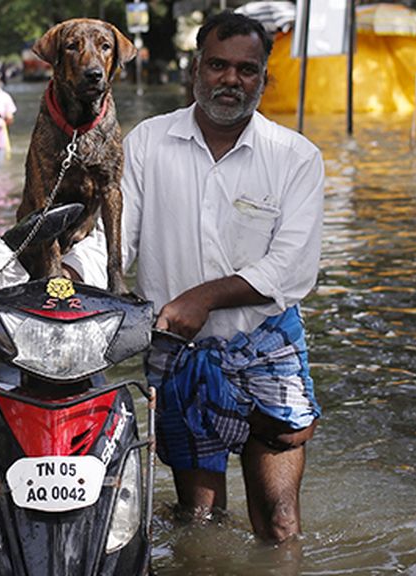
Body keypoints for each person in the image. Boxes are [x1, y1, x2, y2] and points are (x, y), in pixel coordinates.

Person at [114, 12, 324, 542]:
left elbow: (293, 268)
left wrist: (204, 297)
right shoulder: (147, 143)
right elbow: (115, 243)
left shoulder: (296, 157)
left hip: (267, 344)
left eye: (246, 70)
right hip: (180, 353)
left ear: (264, 78)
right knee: (201, 522)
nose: (231, 80)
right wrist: (71, 272)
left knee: (279, 523)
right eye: (217, 66)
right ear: (196, 69)